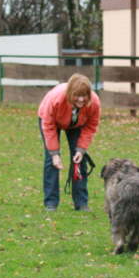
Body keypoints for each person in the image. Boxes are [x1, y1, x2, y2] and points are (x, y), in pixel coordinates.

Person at [37, 73, 101, 211]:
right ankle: (51, 203)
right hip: (51, 121)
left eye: (84, 96)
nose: (81, 99)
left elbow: (91, 126)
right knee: (51, 161)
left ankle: (81, 203)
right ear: (70, 93)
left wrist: (81, 149)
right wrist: (54, 153)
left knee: (79, 160)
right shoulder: (56, 99)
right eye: (77, 96)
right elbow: (48, 126)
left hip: (77, 124)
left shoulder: (94, 102)